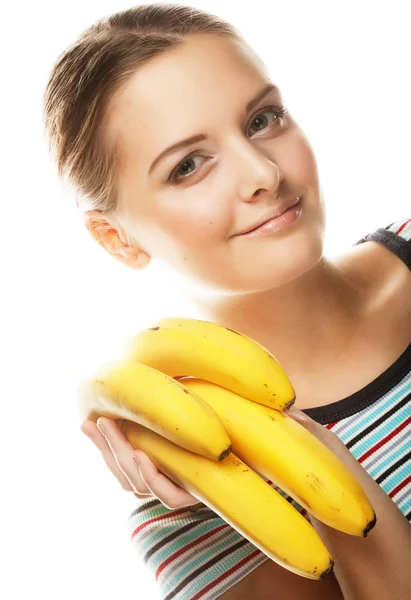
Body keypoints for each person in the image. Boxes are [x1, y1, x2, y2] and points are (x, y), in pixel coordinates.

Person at [43, 3, 411, 599]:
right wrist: (321, 473)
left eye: (263, 120)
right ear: (118, 239)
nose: (262, 171)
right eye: (188, 166)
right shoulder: (193, 511)